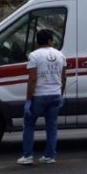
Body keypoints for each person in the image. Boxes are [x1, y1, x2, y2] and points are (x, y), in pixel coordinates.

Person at [17, 29, 67, 165]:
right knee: (51, 127)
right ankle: (50, 156)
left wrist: (28, 100)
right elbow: (63, 77)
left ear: (38, 42)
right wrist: (60, 94)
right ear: (50, 41)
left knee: (29, 124)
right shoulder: (60, 55)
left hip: (39, 95)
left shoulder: (34, 55)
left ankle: (27, 156)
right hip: (55, 94)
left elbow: (32, 79)